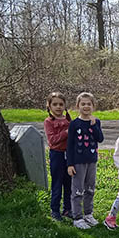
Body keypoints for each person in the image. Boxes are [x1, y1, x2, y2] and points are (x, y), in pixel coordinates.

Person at [66, 92, 104, 229]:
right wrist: (70, 164)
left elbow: (100, 139)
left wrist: (94, 126)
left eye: (89, 104)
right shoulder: (74, 124)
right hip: (78, 162)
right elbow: (70, 145)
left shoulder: (96, 122)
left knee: (90, 188)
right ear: (78, 106)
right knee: (78, 190)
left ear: (93, 106)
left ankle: (88, 214)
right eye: (83, 104)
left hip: (92, 161)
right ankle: (77, 217)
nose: (86, 106)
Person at [43, 92, 72, 221]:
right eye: (55, 104)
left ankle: (68, 209)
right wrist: (66, 132)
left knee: (69, 183)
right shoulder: (49, 122)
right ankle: (55, 210)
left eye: (61, 104)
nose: (58, 107)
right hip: (57, 155)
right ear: (49, 106)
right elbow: (52, 140)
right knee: (57, 182)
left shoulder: (68, 121)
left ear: (65, 106)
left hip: (69, 155)